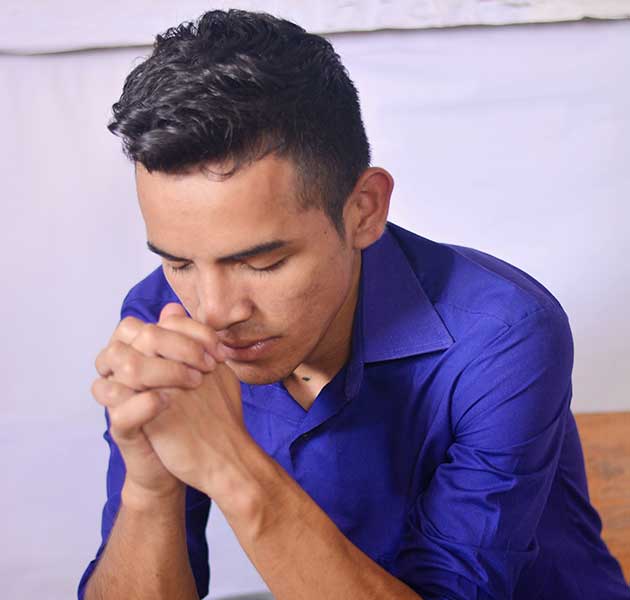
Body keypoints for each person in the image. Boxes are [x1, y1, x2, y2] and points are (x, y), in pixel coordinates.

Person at [79, 9, 630, 600]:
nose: (212, 311)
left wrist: (231, 468)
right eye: (179, 262)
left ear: (364, 209)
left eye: (261, 262)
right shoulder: (160, 314)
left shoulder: (506, 335)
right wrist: (150, 487)